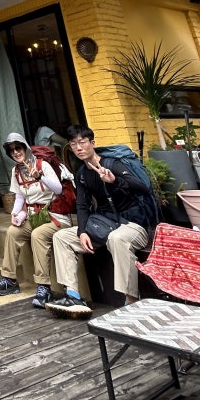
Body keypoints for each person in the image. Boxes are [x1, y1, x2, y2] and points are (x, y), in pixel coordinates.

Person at [47, 125, 152, 318]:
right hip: (105, 224)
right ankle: (73, 296)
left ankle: (130, 301)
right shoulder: (82, 174)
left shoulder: (112, 164)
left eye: (82, 142)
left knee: (117, 238)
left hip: (133, 225)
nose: (78, 148)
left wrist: (115, 181)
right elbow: (82, 206)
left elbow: (143, 188)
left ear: (92, 143)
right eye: (73, 144)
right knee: (62, 237)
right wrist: (82, 232)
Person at [0, 133, 71, 308]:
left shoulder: (43, 165)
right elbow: (20, 196)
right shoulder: (16, 171)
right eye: (11, 150)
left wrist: (40, 177)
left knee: (37, 235)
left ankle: (44, 287)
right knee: (13, 232)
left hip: (56, 216)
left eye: (18, 148)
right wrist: (15, 213)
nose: (15, 152)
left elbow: (58, 189)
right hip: (35, 217)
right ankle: (9, 280)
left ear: (25, 147)